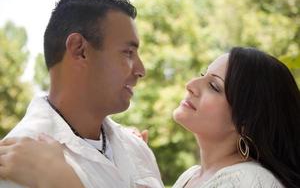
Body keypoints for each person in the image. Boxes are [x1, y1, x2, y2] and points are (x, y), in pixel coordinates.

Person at [1, 47, 300, 188]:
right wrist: (125, 162)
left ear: (246, 121)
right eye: (201, 76)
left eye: (213, 86)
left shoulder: (249, 182)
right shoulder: (190, 178)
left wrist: (63, 181)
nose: (191, 86)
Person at [0, 0, 164, 188]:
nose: (141, 70)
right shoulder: (15, 167)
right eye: (128, 53)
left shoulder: (138, 150)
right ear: (80, 50)